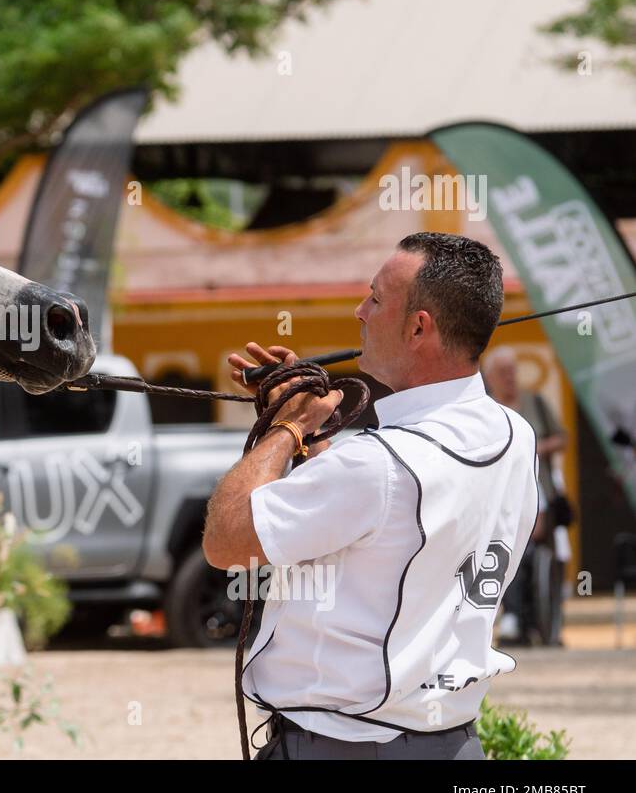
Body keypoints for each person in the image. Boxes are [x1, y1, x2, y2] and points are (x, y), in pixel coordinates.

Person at [203, 233, 538, 760]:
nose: (360, 312)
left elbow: (225, 541)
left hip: (343, 746)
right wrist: (311, 443)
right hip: (451, 746)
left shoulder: (373, 464)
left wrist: (284, 429)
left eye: (376, 298)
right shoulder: (514, 436)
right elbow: (378, 523)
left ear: (418, 327)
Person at [483, 346, 569, 647]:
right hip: (501, 496)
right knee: (511, 555)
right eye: (503, 372)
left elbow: (562, 438)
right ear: (489, 377)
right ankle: (514, 618)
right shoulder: (486, 409)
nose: (510, 377)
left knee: (543, 556)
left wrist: (534, 448)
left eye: (512, 370)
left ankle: (545, 624)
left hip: (539, 490)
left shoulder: (534, 402)